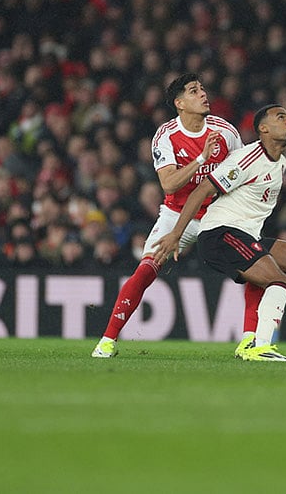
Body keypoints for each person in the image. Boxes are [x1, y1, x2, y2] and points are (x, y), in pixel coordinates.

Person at [153, 104, 286, 363]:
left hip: (245, 236)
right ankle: (259, 345)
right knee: (280, 281)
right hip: (220, 234)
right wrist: (176, 233)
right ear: (263, 129)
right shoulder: (246, 159)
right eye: (280, 117)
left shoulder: (281, 163)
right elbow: (201, 191)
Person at [92, 73, 243, 358]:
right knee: (146, 270)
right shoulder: (167, 135)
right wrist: (201, 159)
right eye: (194, 91)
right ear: (179, 103)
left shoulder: (226, 132)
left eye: (202, 89)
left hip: (218, 215)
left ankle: (251, 341)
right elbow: (169, 184)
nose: (202, 94)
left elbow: (244, 171)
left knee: (253, 268)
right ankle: (107, 341)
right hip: (177, 216)